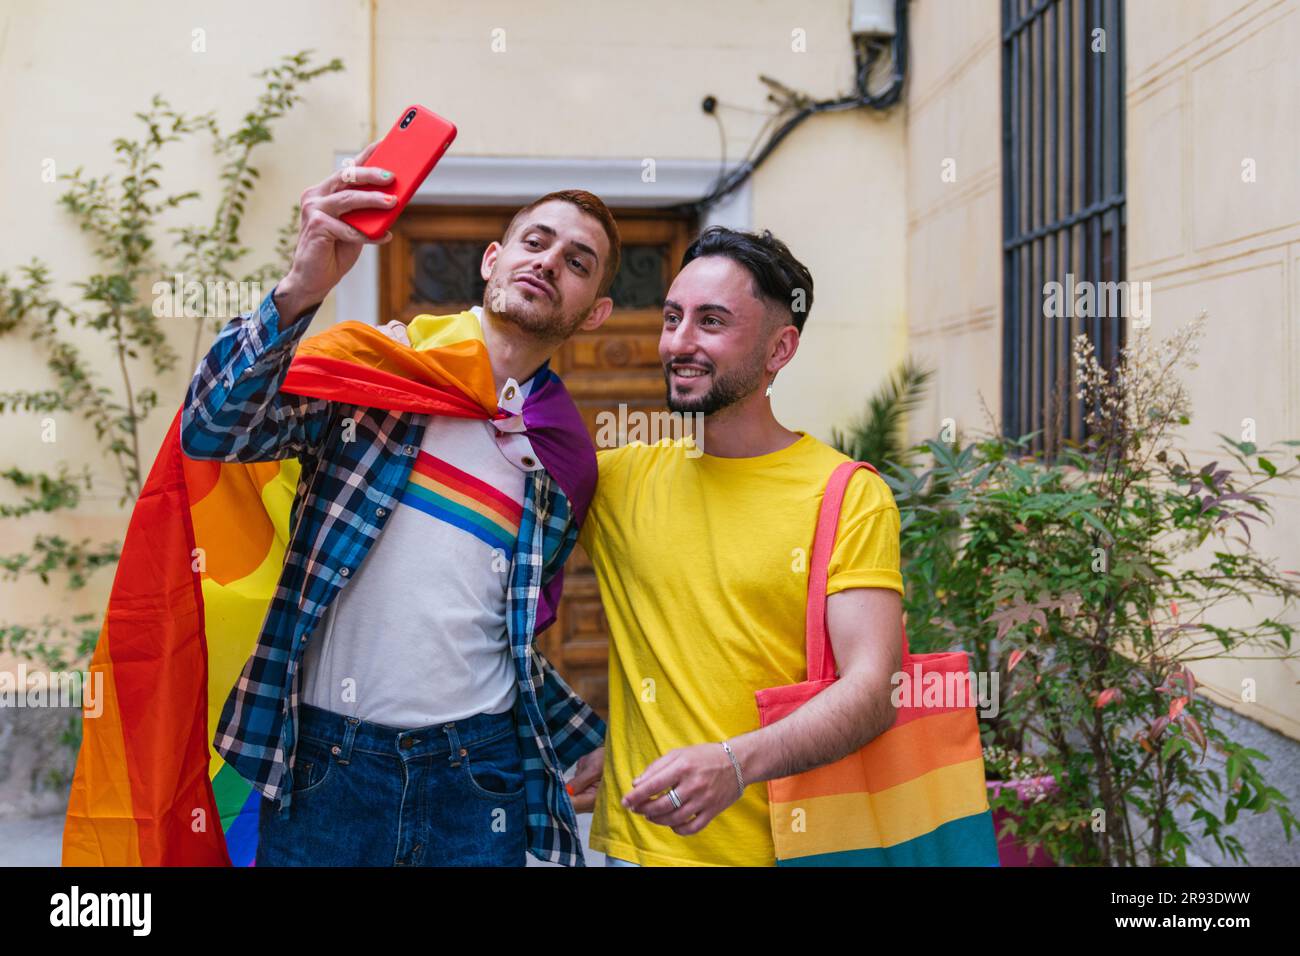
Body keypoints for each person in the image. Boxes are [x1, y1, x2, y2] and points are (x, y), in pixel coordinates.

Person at [181, 138, 620, 866]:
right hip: (327, 766)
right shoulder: (378, 371)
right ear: (492, 261)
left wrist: (584, 736)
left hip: (477, 775)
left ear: (596, 313)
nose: (548, 262)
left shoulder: (565, 453)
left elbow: (503, 632)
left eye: (577, 262)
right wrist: (301, 286)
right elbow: (214, 429)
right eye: (535, 243)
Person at [567, 226, 905, 866]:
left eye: (711, 321)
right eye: (672, 318)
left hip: (784, 852)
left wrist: (732, 764)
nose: (679, 343)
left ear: (781, 348)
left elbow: (874, 687)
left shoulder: (846, 494)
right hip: (636, 852)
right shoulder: (614, 481)